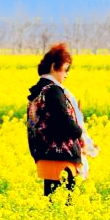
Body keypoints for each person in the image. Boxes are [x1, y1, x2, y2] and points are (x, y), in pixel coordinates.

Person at [26, 43, 98, 197]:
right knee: (63, 204)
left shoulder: (37, 92)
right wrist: (78, 131)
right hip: (60, 158)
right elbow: (64, 122)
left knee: (53, 205)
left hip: (45, 156)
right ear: (54, 66)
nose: (67, 74)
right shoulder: (53, 91)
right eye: (66, 68)